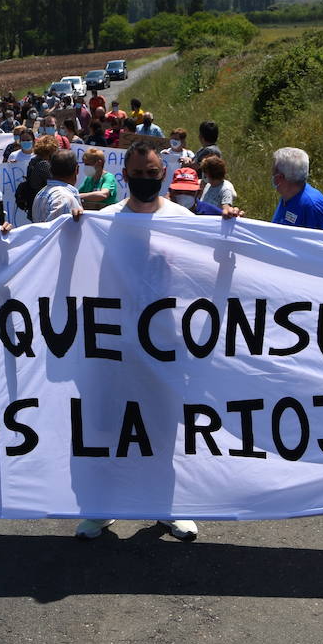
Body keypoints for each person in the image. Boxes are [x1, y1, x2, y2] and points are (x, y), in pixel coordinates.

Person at [83, 142, 232, 542]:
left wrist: (230, 228)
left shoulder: (183, 219)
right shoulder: (104, 220)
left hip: (167, 347)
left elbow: (215, 262)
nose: (145, 179)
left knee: (164, 433)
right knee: (111, 430)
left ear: (162, 174)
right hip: (115, 346)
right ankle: (102, 510)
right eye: (138, 173)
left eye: (152, 173)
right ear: (125, 174)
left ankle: (166, 509)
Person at [270, 147, 323, 230]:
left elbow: (321, 240)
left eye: (273, 171)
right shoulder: (287, 196)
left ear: (279, 178)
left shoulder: (312, 205)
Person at [30, 149, 83, 222]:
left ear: (50, 170)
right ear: (77, 170)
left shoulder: (41, 194)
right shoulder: (64, 198)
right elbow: (56, 231)